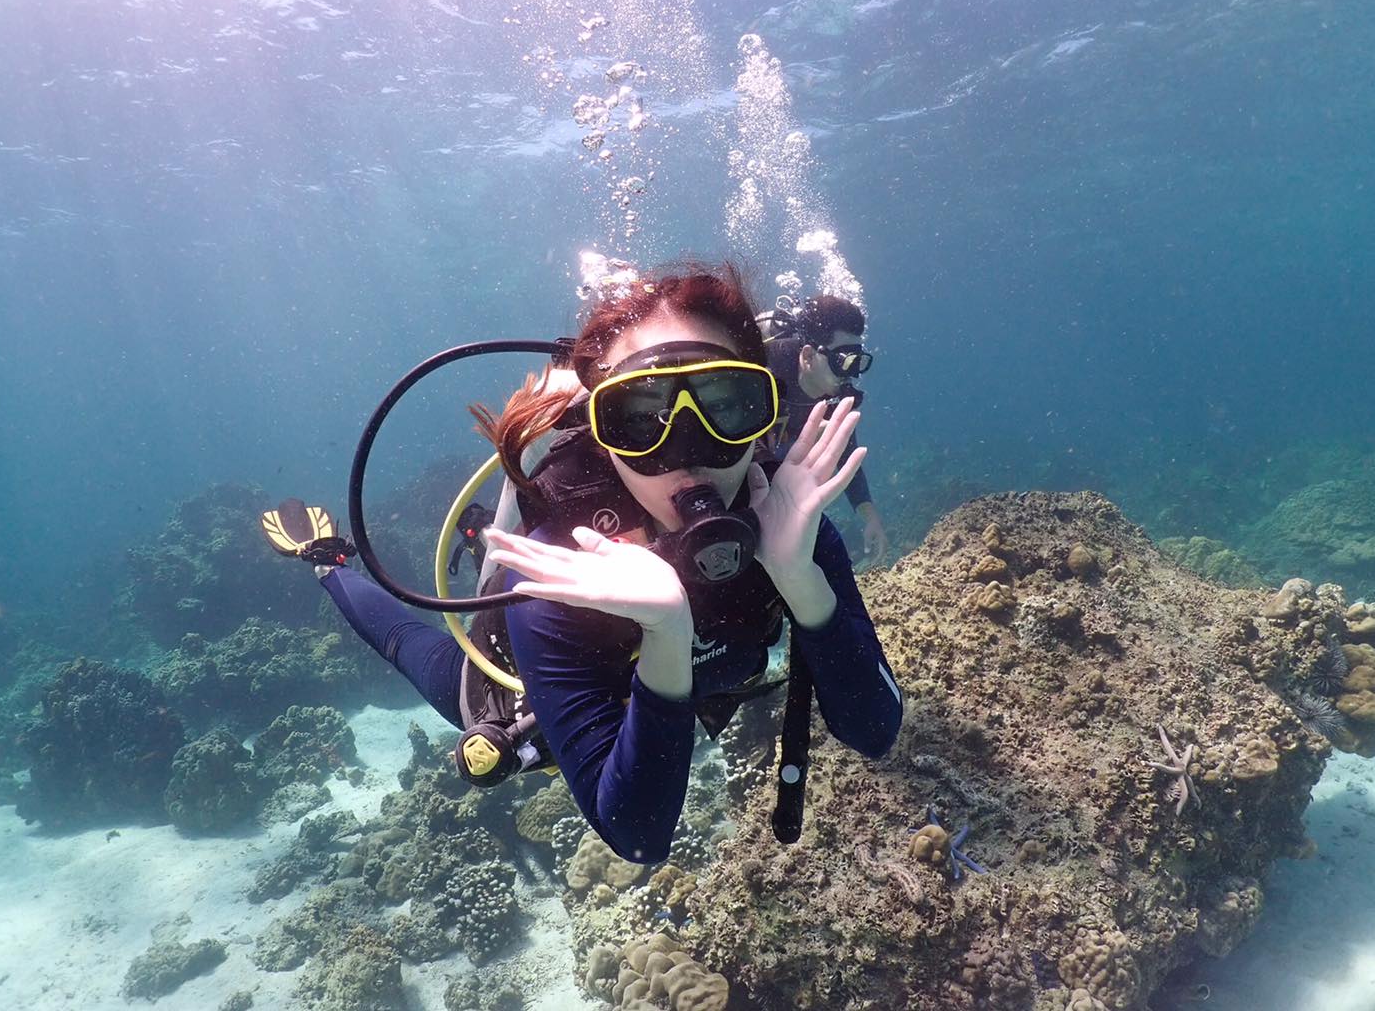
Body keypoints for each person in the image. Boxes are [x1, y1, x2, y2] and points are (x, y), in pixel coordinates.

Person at [269, 264, 902, 863]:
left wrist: (798, 577)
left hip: (693, 684)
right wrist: (665, 634)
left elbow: (876, 732)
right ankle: (328, 562)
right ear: (602, 433)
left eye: (724, 404)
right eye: (641, 417)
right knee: (413, 645)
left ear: (765, 415)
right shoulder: (552, 577)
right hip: (521, 693)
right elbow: (637, 836)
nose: (688, 454)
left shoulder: (790, 528)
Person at [763, 294, 889, 567]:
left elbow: (846, 454)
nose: (851, 374)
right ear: (808, 356)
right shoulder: (764, 371)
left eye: (858, 362)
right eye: (843, 360)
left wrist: (870, 517)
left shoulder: (835, 398)